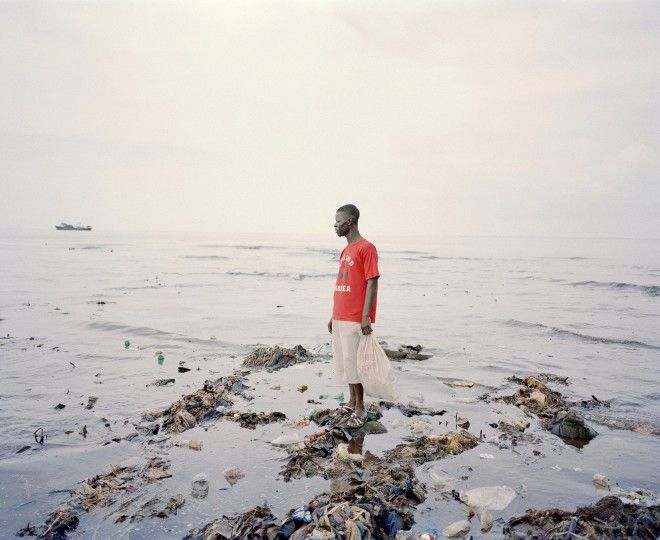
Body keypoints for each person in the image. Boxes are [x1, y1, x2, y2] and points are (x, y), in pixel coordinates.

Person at [328, 204, 380, 428]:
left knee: (355, 362)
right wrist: (333, 315)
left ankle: (361, 408)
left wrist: (366, 316)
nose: (335, 225)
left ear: (350, 221)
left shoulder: (366, 248)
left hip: (355, 316)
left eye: (338, 221)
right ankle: (351, 400)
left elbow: (372, 281)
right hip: (340, 315)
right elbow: (342, 283)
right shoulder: (345, 251)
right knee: (344, 361)